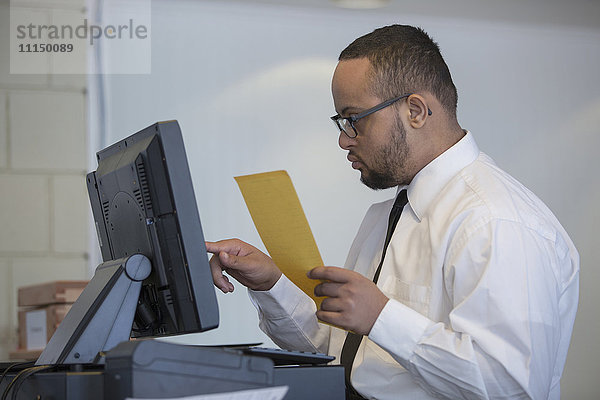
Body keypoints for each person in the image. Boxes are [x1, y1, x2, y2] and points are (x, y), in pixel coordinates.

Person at [205, 25, 579, 400]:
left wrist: (382, 318)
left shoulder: (494, 221)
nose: (343, 139)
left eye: (354, 118)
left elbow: (512, 387)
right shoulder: (385, 216)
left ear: (415, 110)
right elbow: (345, 357)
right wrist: (271, 284)